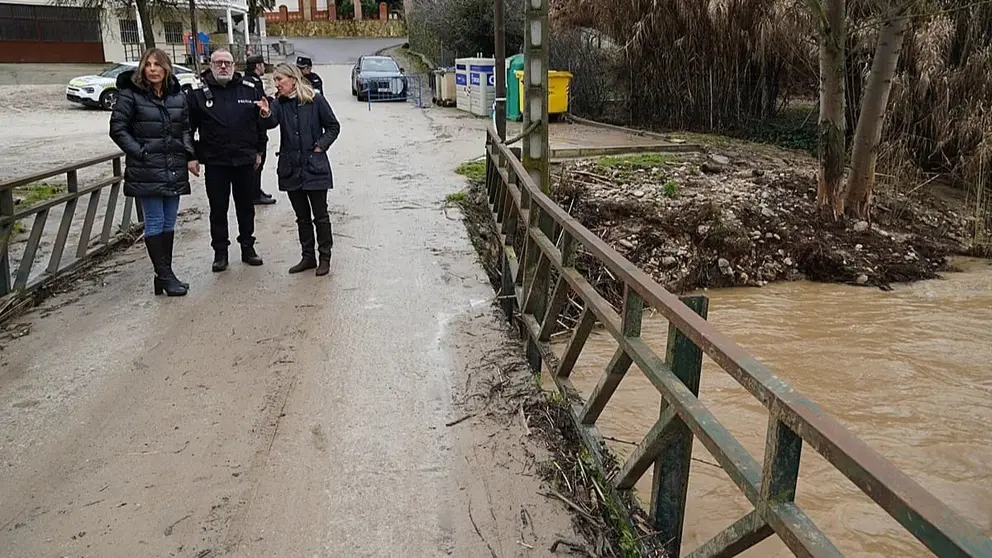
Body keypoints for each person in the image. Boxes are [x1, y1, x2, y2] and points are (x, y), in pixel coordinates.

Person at [109, 47, 194, 297]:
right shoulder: (130, 95)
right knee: (155, 221)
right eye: (149, 65)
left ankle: (164, 276)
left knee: (169, 221)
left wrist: (190, 156)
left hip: (174, 166)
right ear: (142, 69)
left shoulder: (177, 96)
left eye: (158, 64)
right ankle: (166, 277)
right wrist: (140, 152)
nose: (154, 69)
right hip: (147, 167)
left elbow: (185, 129)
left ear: (166, 67)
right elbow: (118, 129)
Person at [187, 48, 275, 273]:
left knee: (246, 207)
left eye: (227, 63)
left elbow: (260, 125)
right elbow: (188, 129)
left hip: (245, 160)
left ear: (234, 65)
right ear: (211, 65)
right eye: (218, 63)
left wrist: (259, 152)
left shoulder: (249, 89)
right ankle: (220, 253)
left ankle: (248, 247)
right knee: (218, 209)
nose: (223, 67)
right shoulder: (197, 94)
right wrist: (191, 156)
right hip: (216, 162)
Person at [266, 63, 340, 276]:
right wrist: (264, 112)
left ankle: (324, 257)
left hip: (314, 166)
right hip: (291, 168)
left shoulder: (315, 100)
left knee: (320, 215)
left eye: (280, 79)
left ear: (293, 79)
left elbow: (333, 127)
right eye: (275, 80)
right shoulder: (279, 103)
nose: (276, 84)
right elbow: (271, 122)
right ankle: (308, 257)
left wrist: (319, 146)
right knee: (302, 217)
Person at [244, 54, 276, 206]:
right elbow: (258, 104)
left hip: (251, 128)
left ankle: (256, 190)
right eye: (263, 65)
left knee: (257, 163)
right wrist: (271, 99)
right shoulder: (254, 83)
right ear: (257, 66)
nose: (264, 67)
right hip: (257, 129)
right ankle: (254, 194)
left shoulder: (246, 80)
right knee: (258, 162)